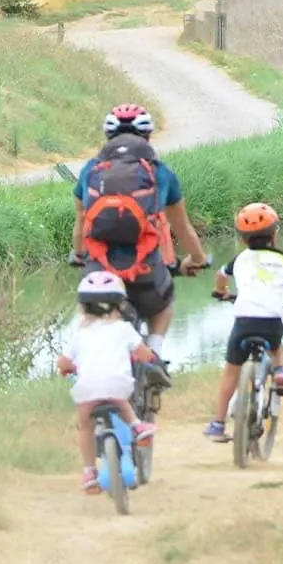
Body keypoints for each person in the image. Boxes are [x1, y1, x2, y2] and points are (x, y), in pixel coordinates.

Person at [72, 103, 209, 381]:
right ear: (147, 137)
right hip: (145, 266)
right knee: (164, 302)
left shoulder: (90, 171)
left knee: (89, 310)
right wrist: (197, 259)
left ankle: (80, 365)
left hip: (100, 268)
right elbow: (183, 229)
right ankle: (154, 354)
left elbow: (81, 222)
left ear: (108, 137)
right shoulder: (160, 174)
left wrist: (78, 254)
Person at [204, 202, 283, 442]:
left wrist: (222, 292)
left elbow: (220, 276)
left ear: (242, 240)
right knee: (277, 344)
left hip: (244, 322)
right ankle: (280, 371)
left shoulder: (239, 259)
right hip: (271, 321)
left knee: (230, 372)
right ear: (275, 235)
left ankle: (218, 424)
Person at [58, 271, 159, 494]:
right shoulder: (124, 329)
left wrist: (67, 369)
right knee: (122, 402)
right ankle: (137, 426)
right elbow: (144, 354)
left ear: (83, 306)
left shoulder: (78, 333)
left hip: (87, 388)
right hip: (118, 385)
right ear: (118, 305)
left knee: (85, 425)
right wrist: (151, 358)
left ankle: (88, 472)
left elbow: (63, 362)